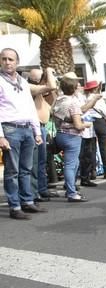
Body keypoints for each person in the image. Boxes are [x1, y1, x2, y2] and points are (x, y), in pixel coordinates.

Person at [0, 47, 46, 219]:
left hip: (27, 128)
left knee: (26, 169)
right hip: (10, 129)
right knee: (12, 171)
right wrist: (1, 136)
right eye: (4, 59)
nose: (7, 62)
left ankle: (27, 201)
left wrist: (37, 131)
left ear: (17, 62)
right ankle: (15, 206)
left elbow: (30, 107)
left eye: (10, 59)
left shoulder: (23, 82)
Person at [51, 75, 93, 202]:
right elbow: (78, 125)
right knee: (70, 165)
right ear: (74, 88)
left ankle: (71, 189)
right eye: (78, 85)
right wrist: (87, 124)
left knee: (73, 164)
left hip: (60, 134)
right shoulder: (73, 102)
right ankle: (71, 192)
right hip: (72, 136)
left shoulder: (58, 100)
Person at [27, 67, 57, 202]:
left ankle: (42, 188)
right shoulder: (31, 91)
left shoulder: (42, 94)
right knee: (33, 163)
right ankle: (34, 192)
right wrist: (48, 73)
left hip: (42, 127)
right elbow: (50, 86)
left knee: (41, 161)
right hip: (34, 128)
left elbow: (53, 100)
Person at [78, 81, 104, 186]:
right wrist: (94, 97)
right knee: (80, 156)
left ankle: (85, 178)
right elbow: (84, 108)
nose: (80, 87)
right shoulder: (76, 98)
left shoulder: (83, 97)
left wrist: (96, 96)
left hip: (89, 130)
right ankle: (73, 181)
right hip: (81, 131)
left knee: (89, 156)